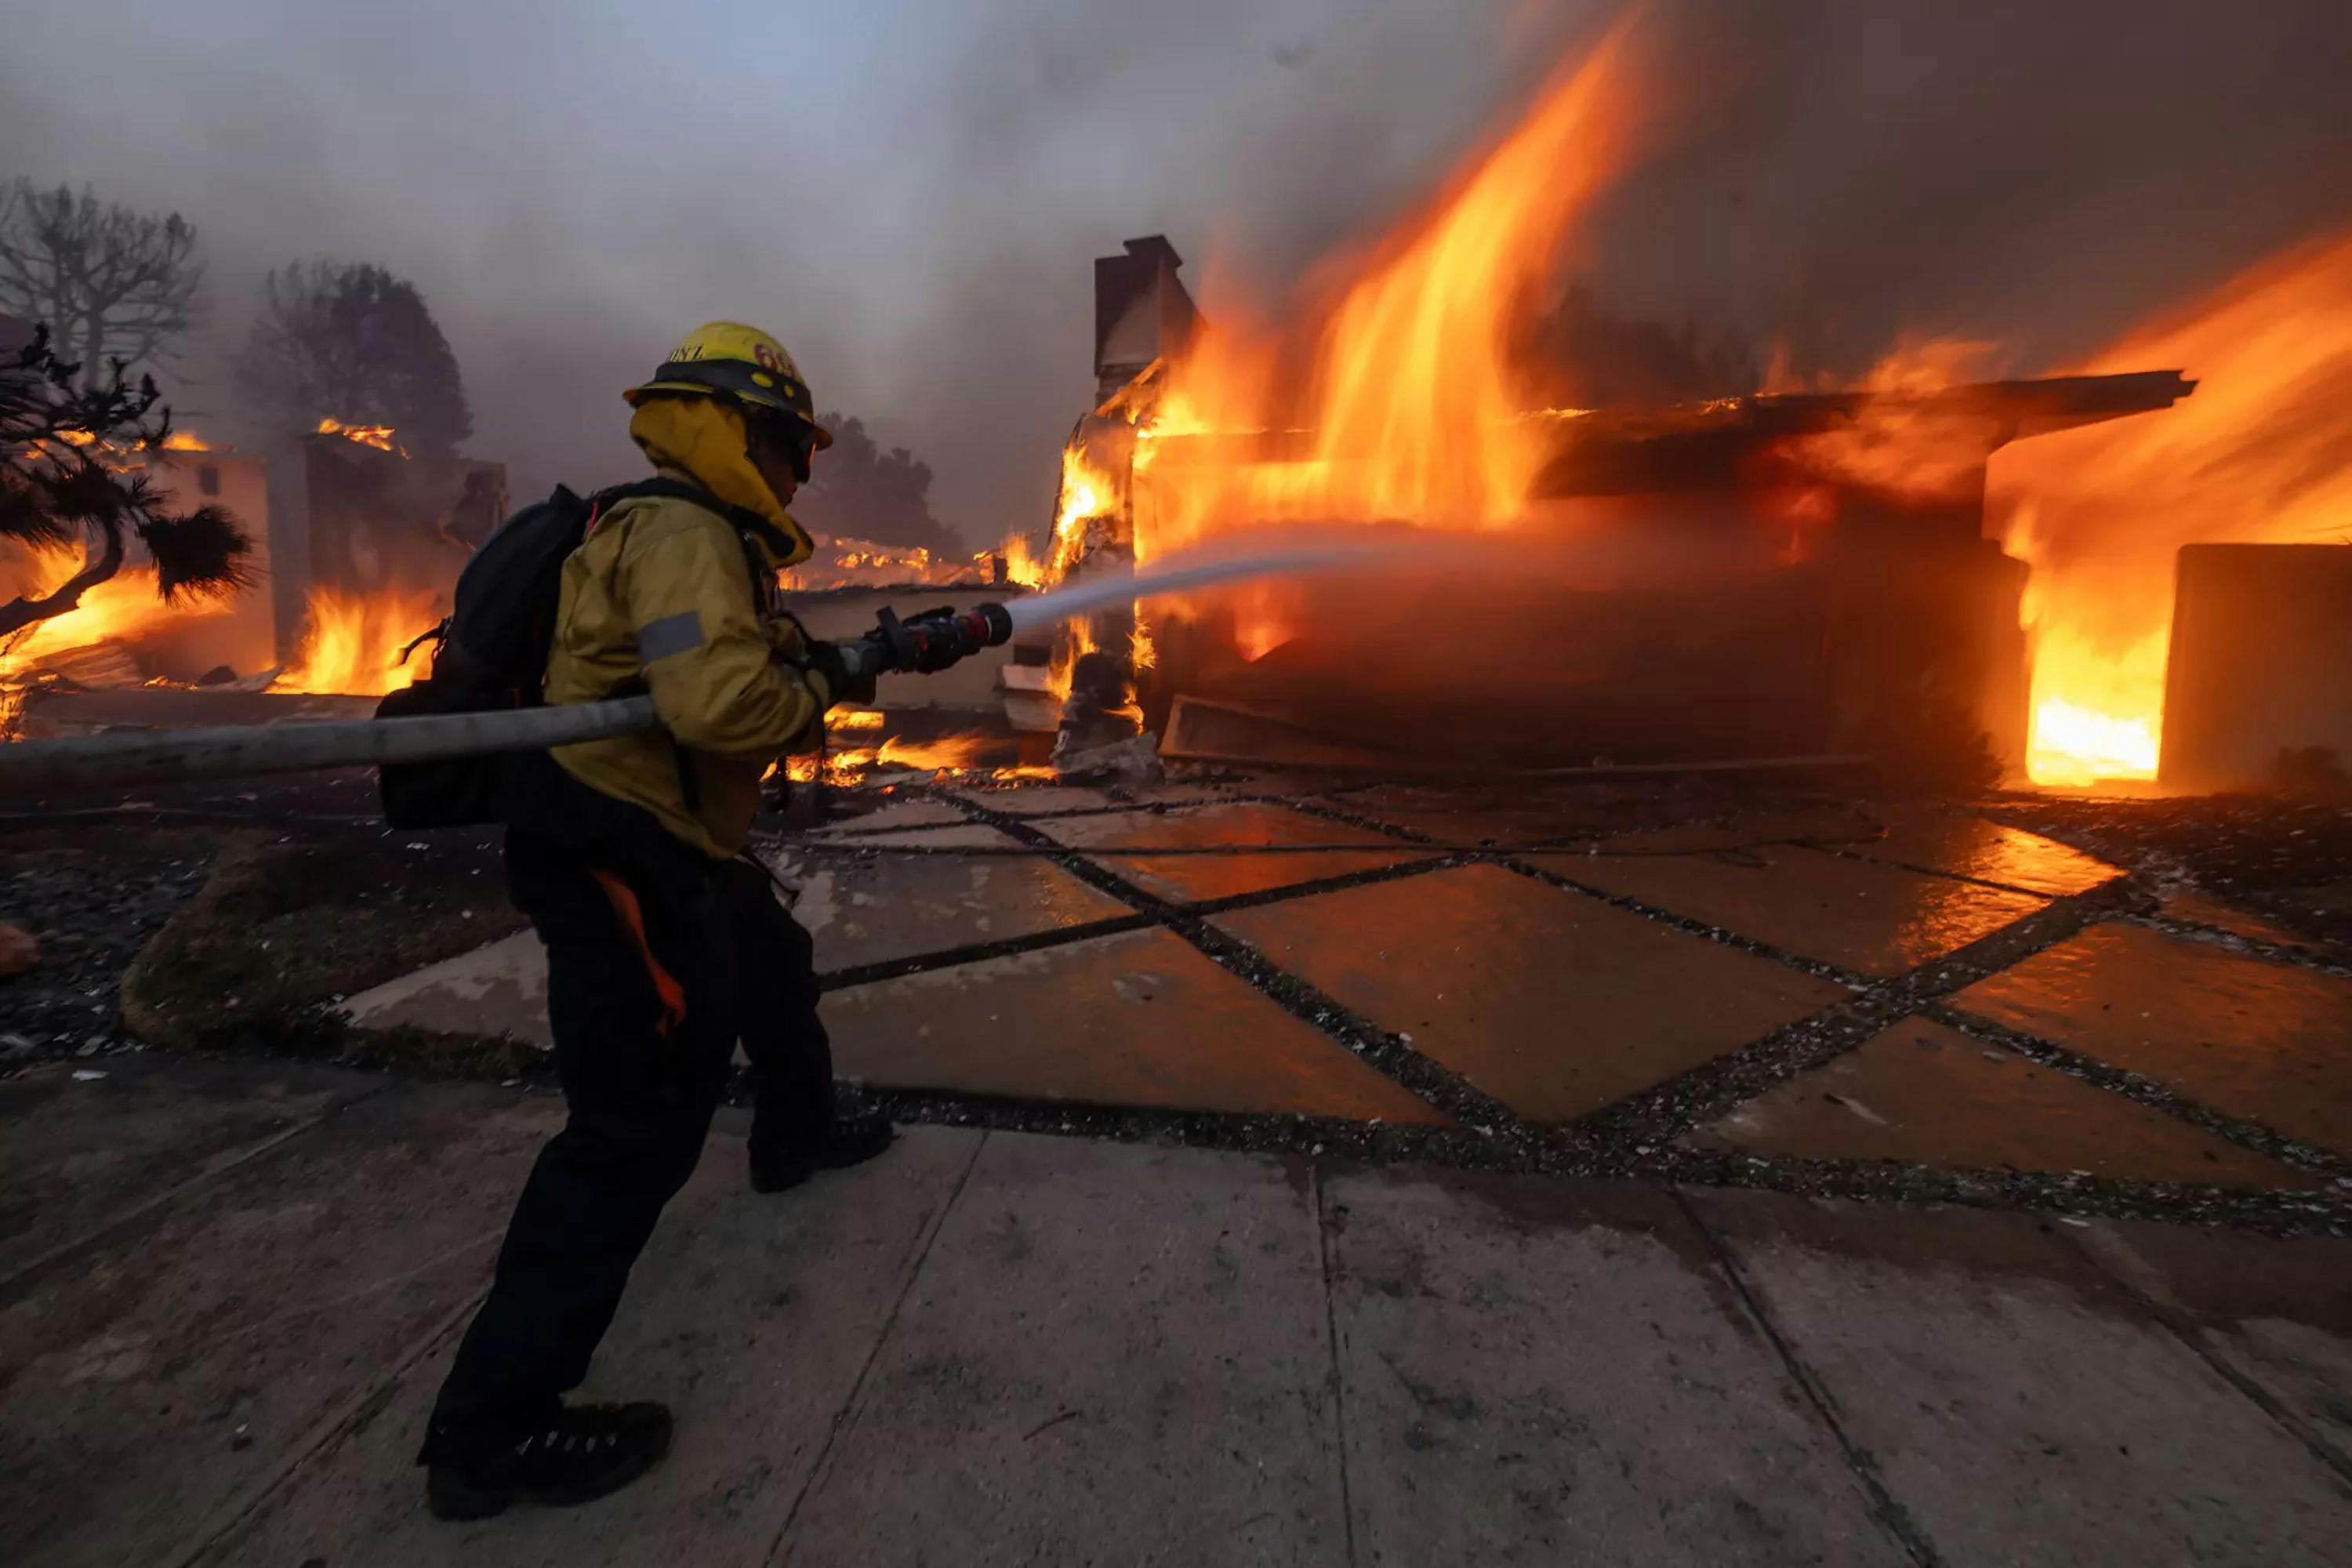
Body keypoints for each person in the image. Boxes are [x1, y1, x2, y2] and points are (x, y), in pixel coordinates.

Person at [416, 322, 895, 1521]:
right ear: (737, 429)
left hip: (662, 834)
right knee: (632, 1130)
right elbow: (721, 703)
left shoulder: (673, 527)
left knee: (772, 964)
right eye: (790, 445)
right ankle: (491, 1435)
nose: (800, 472)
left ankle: (795, 1132)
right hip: (619, 850)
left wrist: (832, 653)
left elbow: (712, 659)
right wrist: (822, 687)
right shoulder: (682, 532)